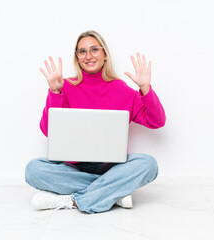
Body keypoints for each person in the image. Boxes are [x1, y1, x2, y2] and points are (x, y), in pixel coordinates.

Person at [25, 30, 166, 214]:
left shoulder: (121, 90)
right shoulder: (64, 86)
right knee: (33, 169)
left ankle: (74, 201)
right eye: (82, 51)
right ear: (77, 57)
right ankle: (112, 193)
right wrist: (55, 93)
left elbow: (157, 121)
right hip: (74, 168)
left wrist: (145, 89)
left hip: (112, 168)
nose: (88, 56)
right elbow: (48, 131)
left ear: (105, 55)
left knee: (148, 164)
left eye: (94, 49)